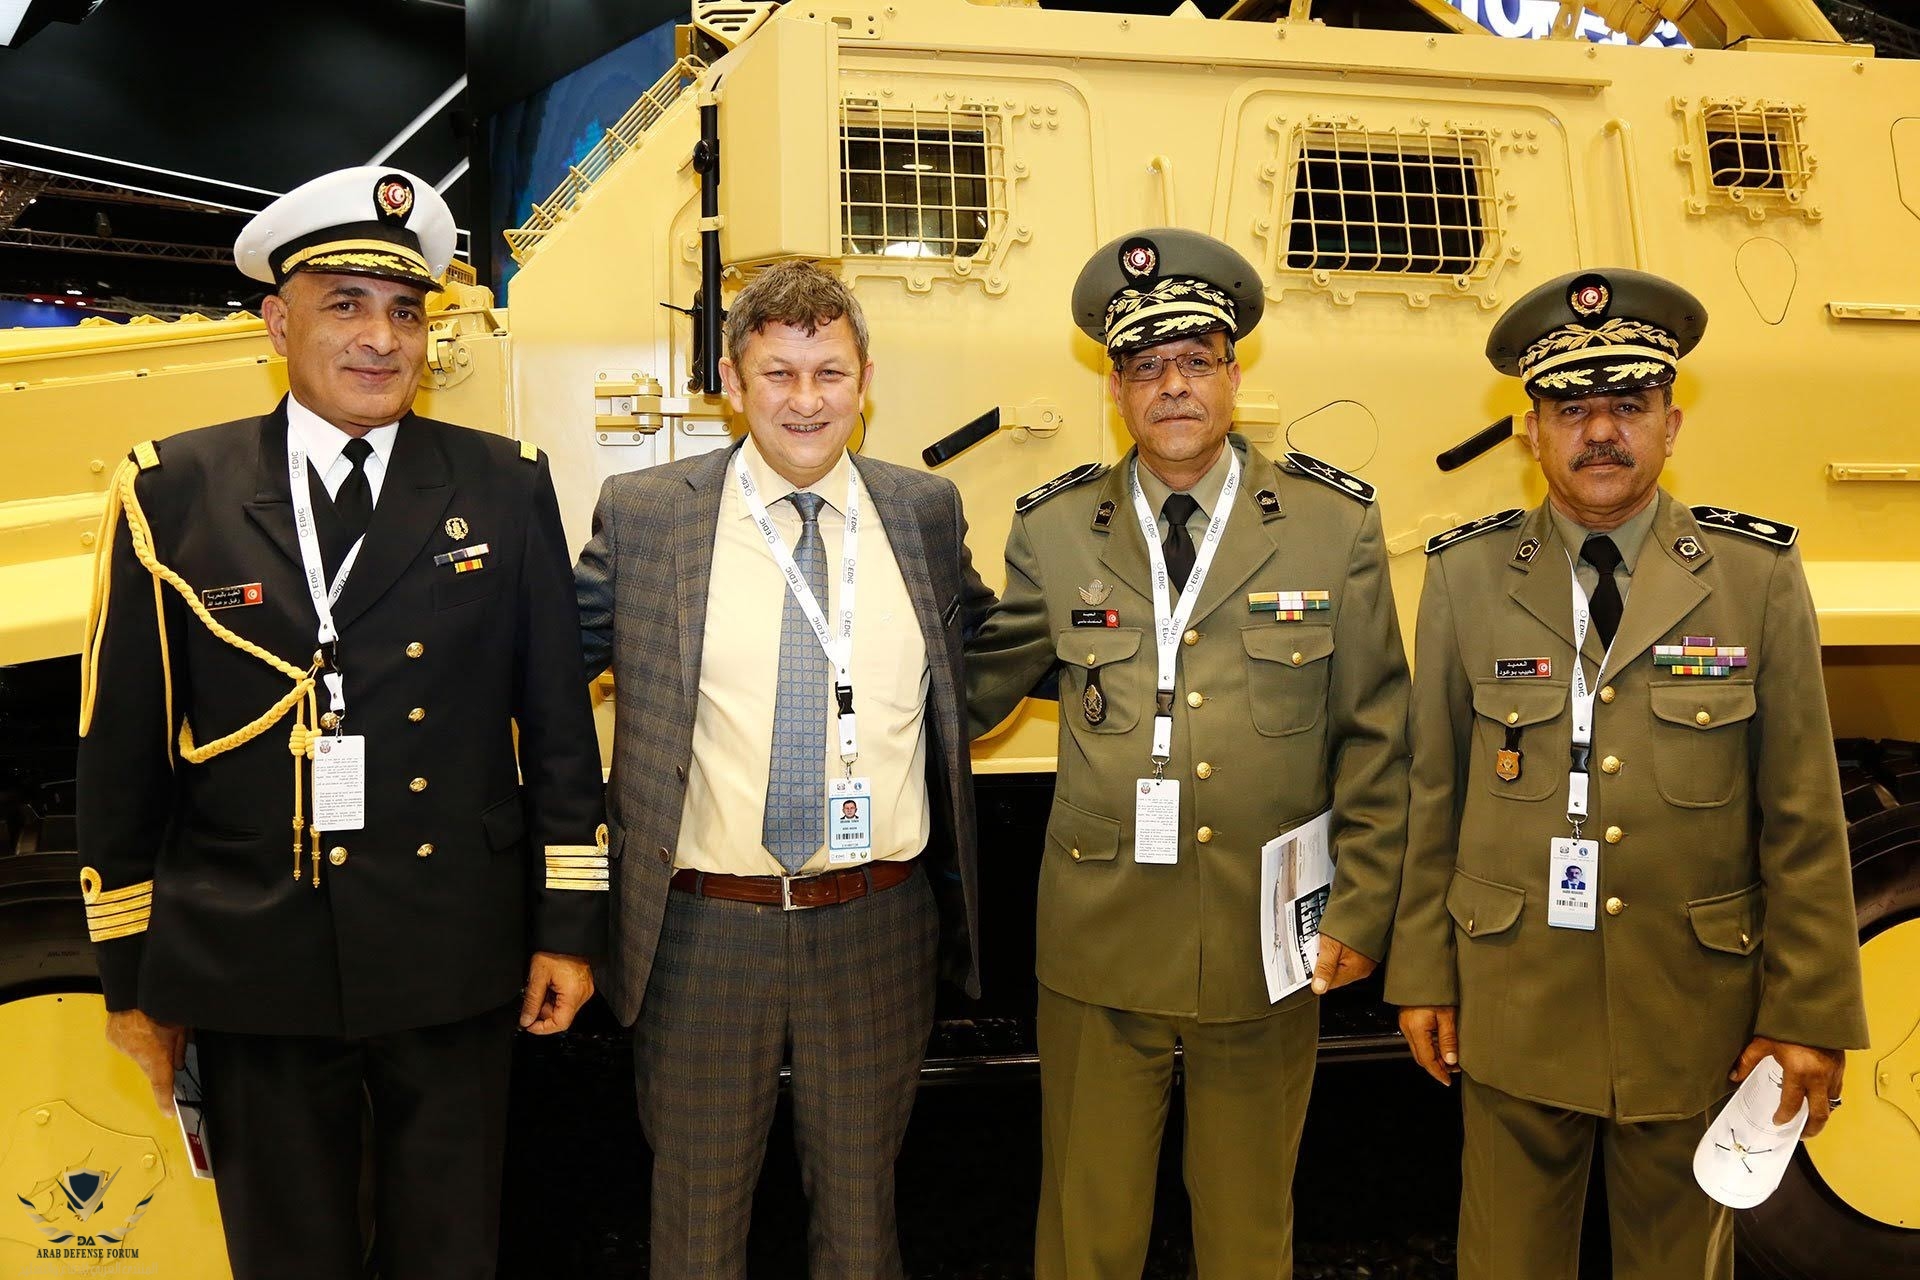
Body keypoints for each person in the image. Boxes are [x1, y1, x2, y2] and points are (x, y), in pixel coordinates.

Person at [75, 166, 607, 1279]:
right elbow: (124, 753)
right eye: (346, 306)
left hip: (451, 949)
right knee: (287, 1256)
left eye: (406, 312)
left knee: (449, 1252)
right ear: (279, 323)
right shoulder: (174, 490)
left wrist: (565, 926)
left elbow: (557, 724)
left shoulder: (503, 485)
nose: (380, 338)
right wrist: (133, 978)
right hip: (254, 954)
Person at [1387, 267, 1868, 1279]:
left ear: (1671, 424)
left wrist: (1807, 1013)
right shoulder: (1465, 576)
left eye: (1629, 405)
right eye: (1571, 409)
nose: (1599, 431)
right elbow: (1435, 792)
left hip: (1692, 1009)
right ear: (1531, 431)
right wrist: (1423, 973)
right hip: (1515, 997)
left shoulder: (1754, 577)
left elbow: (1803, 812)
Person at [963, 229, 1411, 1280]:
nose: (1173, 385)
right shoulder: (1055, 529)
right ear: (1115, 387)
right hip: (1099, 936)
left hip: (1266, 933)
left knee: (1250, 1229)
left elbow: (1377, 731)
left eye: (1195, 360)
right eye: (1146, 365)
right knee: (1087, 1229)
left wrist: (1359, 907)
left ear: (1233, 375)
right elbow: (976, 686)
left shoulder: (1330, 524)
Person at [573, 260, 993, 1280]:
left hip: (876, 924)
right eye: (779, 374)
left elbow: (987, 655)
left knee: (862, 1225)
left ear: (866, 380)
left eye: (829, 373)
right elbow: (546, 672)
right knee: (696, 1231)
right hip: (704, 931)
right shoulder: (648, 513)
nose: (807, 401)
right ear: (733, 380)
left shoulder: (924, 510)